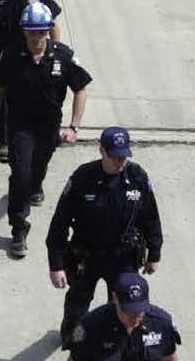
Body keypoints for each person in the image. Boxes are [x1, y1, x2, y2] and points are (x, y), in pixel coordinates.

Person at [0, 1, 91, 257]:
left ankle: (36, 185)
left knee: (38, 167)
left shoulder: (64, 56)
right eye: (31, 31)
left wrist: (74, 127)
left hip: (49, 125)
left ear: (48, 30)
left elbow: (81, 89)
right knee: (20, 173)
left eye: (41, 31)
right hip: (20, 124)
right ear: (24, 31)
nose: (36, 37)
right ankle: (19, 229)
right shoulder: (11, 55)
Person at [47, 127, 164, 347]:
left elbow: (151, 218)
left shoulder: (137, 177)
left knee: (122, 307)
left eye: (124, 156)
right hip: (86, 256)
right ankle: (74, 342)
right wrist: (56, 264)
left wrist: (154, 253)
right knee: (78, 305)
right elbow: (59, 223)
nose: (120, 161)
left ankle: (114, 349)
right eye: (115, 156)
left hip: (124, 258)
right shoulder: (83, 178)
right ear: (101, 150)